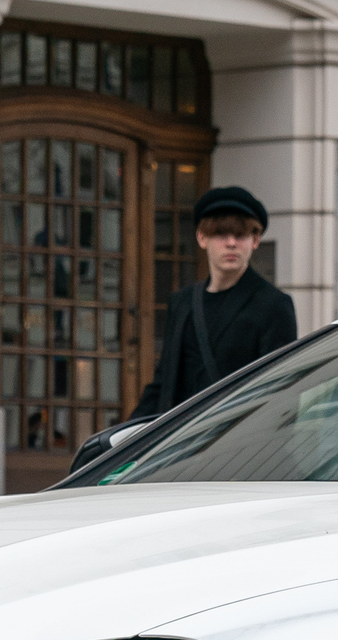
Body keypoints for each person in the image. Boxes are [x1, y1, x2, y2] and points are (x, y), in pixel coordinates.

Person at [75, 186, 296, 466]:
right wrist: (123, 444)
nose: (231, 243)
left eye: (240, 235)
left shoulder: (274, 305)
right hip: (179, 452)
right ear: (202, 238)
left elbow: (281, 391)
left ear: (255, 240)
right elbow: (163, 383)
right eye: (220, 234)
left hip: (240, 453)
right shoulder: (183, 303)